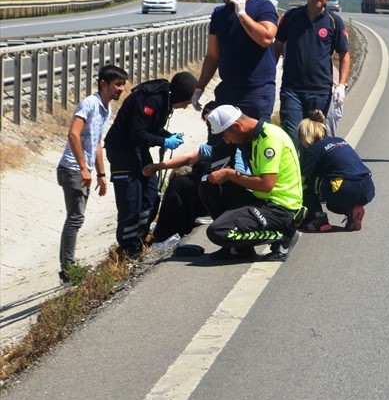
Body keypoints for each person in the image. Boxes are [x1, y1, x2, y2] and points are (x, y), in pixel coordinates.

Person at [104, 72, 195, 256]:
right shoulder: (151, 99)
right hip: (122, 151)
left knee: (151, 195)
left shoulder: (165, 100)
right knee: (131, 200)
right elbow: (137, 132)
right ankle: (127, 248)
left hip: (138, 150)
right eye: (186, 102)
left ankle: (139, 240)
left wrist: (168, 136)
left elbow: (152, 128)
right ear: (180, 94)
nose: (185, 107)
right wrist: (164, 142)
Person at [203, 105, 305, 261]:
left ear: (237, 127)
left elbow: (266, 185)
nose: (228, 142)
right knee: (209, 187)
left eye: (225, 136)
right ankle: (238, 249)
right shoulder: (254, 137)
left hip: (280, 207)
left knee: (218, 232)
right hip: (263, 199)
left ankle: (284, 235)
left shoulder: (269, 139)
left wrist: (230, 174)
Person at [56, 64, 128, 282]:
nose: (121, 89)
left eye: (123, 84)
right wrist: (82, 168)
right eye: (117, 84)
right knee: (75, 218)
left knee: (76, 217)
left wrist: (101, 175)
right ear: (103, 84)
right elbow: (73, 134)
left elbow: (96, 142)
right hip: (72, 168)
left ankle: (68, 268)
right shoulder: (89, 103)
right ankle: (68, 271)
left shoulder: (106, 108)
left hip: (83, 169)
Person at [142, 101, 249, 245]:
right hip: (216, 179)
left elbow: (243, 176)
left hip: (234, 190)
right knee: (179, 183)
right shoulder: (218, 144)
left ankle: (205, 217)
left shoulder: (238, 146)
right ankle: (165, 234)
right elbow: (191, 156)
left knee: (202, 183)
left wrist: (227, 173)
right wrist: (158, 166)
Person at [192, 0, 279, 119]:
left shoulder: (263, 6)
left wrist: (242, 13)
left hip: (257, 89)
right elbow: (213, 55)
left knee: (254, 134)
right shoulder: (219, 14)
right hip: (227, 90)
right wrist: (200, 87)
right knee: (219, 134)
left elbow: (266, 38)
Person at [272, 0, 350, 144]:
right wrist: (270, 72)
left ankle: (311, 163)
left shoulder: (334, 22)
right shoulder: (291, 17)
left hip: (320, 92)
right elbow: (277, 45)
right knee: (293, 136)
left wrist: (341, 85)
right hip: (292, 90)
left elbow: (344, 54)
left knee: (315, 141)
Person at [296, 110, 375, 232]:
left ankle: (319, 219)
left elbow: (300, 180)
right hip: (367, 187)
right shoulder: (339, 140)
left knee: (306, 184)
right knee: (332, 205)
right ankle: (352, 210)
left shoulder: (313, 150)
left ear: (304, 135)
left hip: (347, 188)